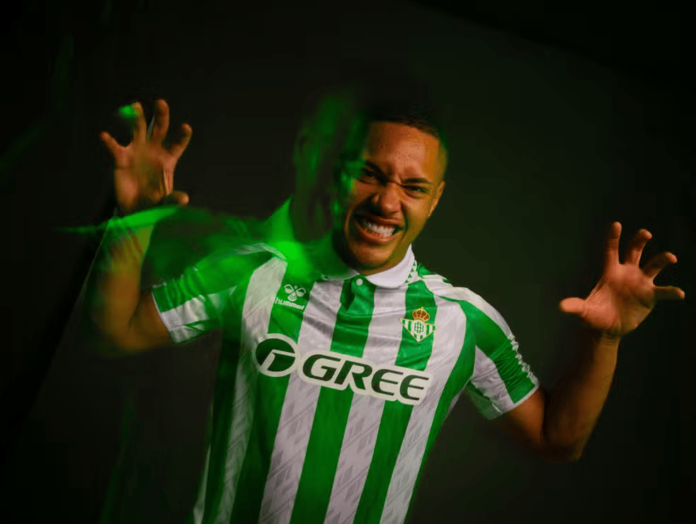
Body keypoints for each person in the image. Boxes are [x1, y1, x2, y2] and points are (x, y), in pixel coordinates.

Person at [91, 84, 685, 524]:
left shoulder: (462, 321)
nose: (386, 202)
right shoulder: (250, 273)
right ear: (338, 174)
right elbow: (117, 332)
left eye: (413, 187)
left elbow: (558, 439)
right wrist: (132, 220)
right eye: (370, 175)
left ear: (435, 200)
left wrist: (605, 339)